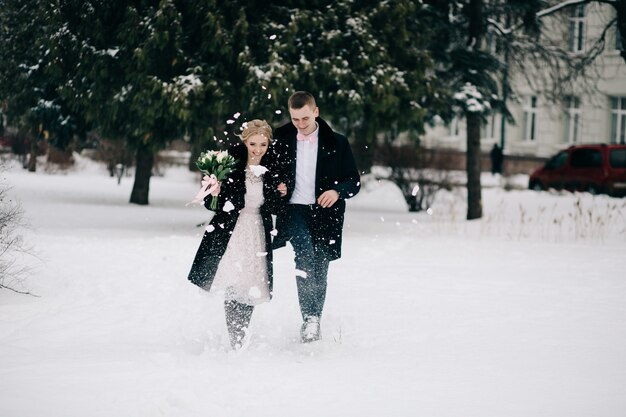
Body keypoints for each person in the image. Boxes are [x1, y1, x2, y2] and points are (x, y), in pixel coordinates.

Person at [271, 91, 361, 343]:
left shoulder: (338, 142)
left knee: (320, 267)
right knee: (304, 257)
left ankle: (314, 318)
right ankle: (309, 319)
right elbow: (268, 170)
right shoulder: (280, 137)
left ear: (316, 112)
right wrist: (277, 184)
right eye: (295, 119)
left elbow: (353, 181)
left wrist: (337, 191)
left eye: (305, 118)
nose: (300, 124)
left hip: (326, 215)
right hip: (294, 211)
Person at [187, 119, 281, 349]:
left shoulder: (273, 167)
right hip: (231, 230)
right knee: (233, 280)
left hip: (257, 229)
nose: (258, 149)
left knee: (251, 281)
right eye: (253, 144)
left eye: (263, 144)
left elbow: (276, 207)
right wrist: (215, 191)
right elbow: (212, 205)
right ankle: (235, 336)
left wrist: (280, 192)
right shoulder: (228, 164)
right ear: (244, 141)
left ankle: (241, 335)